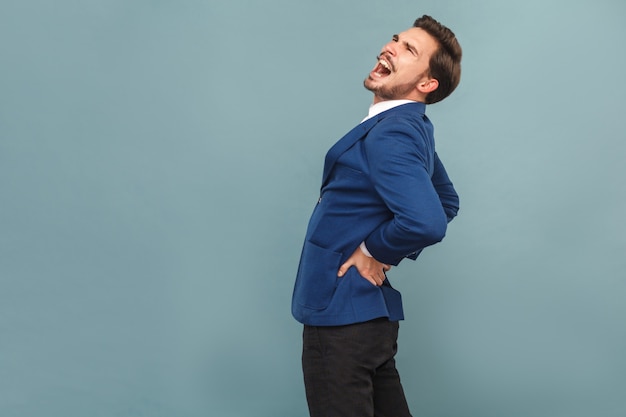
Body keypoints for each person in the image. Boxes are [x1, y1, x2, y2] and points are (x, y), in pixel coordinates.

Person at [291, 15, 462, 417]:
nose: (390, 48)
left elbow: (431, 219)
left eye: (409, 50)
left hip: (341, 318)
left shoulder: (392, 133)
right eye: (396, 40)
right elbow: (447, 201)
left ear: (427, 84)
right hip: (369, 322)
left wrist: (373, 250)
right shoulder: (411, 125)